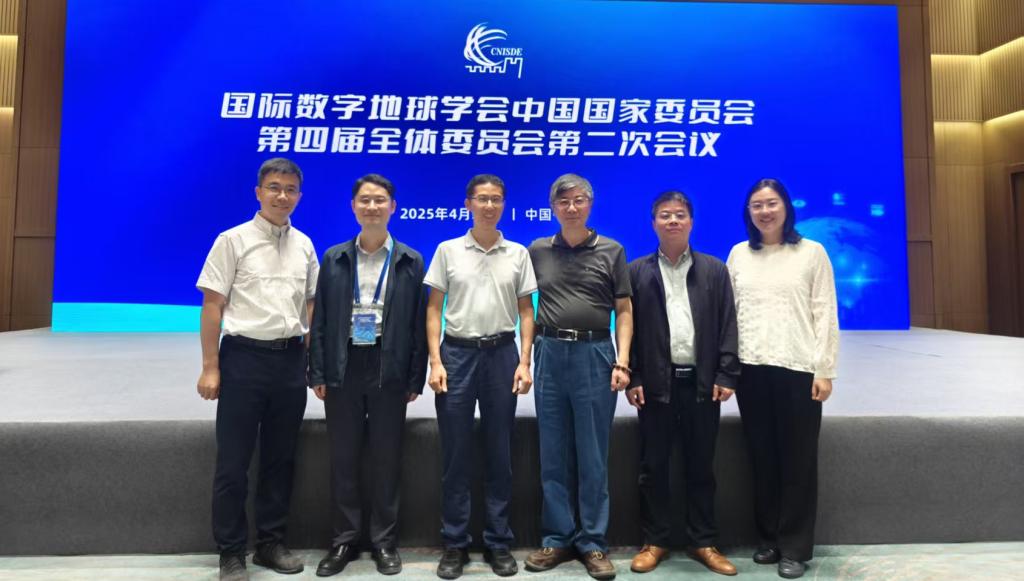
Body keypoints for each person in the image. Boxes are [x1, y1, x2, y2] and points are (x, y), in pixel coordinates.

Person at [196, 157, 318, 581]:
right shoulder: (232, 240)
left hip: (289, 362)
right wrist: (210, 367)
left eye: (290, 189)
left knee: (280, 460)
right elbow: (213, 305)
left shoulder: (304, 245)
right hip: (243, 360)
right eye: (274, 187)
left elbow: (311, 305)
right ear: (258, 192)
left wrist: (311, 360)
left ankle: (270, 543)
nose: (282, 196)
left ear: (299, 196)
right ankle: (231, 553)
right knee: (233, 463)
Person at [309, 174, 427, 577]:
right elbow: (321, 320)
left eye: (380, 200)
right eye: (365, 200)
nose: (372, 207)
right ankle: (343, 540)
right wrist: (318, 370)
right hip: (343, 365)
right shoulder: (335, 258)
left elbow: (417, 324)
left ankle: (384, 541)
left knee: (386, 458)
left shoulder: (410, 261)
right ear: (353, 207)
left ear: (393, 207)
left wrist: (414, 377)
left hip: (388, 364)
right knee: (343, 457)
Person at [424, 174, 538, 579]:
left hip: (502, 354)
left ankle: (498, 542)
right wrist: (435, 361)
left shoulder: (518, 253)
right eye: (482, 199)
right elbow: (434, 309)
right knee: (455, 454)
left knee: (499, 452)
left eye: (496, 199)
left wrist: (524, 361)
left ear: (504, 204)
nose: (489, 206)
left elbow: (526, 311)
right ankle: (454, 543)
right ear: (468, 204)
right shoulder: (448, 250)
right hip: (456, 355)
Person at [726, 178, 839, 579]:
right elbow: (729, 314)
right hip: (752, 369)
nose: (765, 211)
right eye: (757, 205)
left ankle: (795, 546)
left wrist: (825, 369)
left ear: (786, 207)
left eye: (772, 203)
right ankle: (769, 538)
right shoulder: (739, 254)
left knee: (798, 460)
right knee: (763, 458)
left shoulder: (811, 252)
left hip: (798, 369)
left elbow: (825, 311)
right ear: (748, 212)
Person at [524, 174, 633, 580]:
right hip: (550, 352)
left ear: (590, 204)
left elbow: (624, 310)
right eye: (563, 201)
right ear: (553, 207)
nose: (572, 207)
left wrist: (623, 360)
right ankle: (556, 537)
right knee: (552, 452)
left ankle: (592, 542)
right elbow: (526, 307)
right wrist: (525, 357)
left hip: (595, 353)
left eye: (579, 200)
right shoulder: (537, 250)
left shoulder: (612, 250)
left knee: (592, 454)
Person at [626, 191, 740, 576]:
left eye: (679, 215)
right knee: (653, 466)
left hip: (702, 385)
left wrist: (726, 373)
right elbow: (629, 329)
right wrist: (634, 375)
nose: (672, 221)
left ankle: (703, 541)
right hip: (656, 386)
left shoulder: (714, 270)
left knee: (701, 467)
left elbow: (728, 323)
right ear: (653, 223)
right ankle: (655, 540)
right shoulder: (636, 272)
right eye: (664, 215)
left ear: (691, 221)